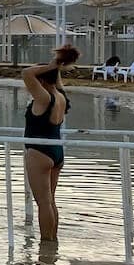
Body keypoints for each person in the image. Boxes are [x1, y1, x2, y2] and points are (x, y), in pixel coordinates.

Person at [22, 45, 80, 242]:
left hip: (39, 151)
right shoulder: (60, 97)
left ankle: (46, 244)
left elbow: (26, 73)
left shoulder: (44, 97)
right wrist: (56, 66)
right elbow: (51, 79)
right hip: (56, 150)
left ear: (42, 79)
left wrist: (51, 65)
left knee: (43, 202)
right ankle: (52, 241)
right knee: (50, 201)